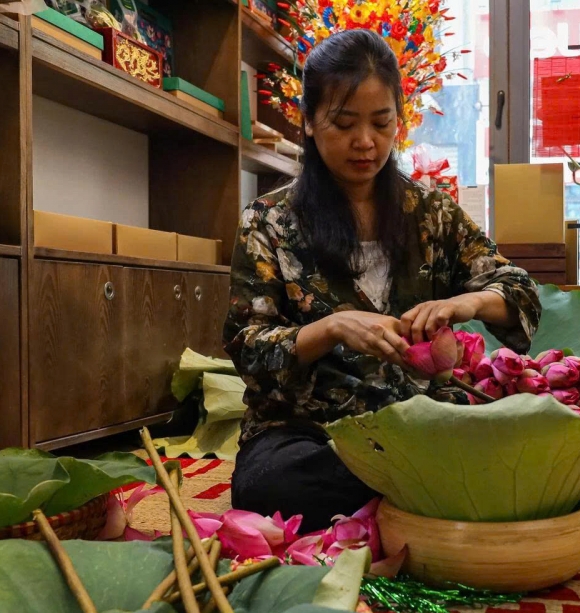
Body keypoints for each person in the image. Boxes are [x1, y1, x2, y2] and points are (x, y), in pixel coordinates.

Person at [223, 29, 541, 532]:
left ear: (399, 119)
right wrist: (332, 327)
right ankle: (417, 494)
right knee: (270, 484)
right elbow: (248, 347)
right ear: (308, 121)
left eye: (381, 122)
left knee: (518, 441)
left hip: (419, 421)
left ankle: (399, 492)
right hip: (307, 429)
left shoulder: (431, 213)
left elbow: (519, 291)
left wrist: (465, 304)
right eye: (344, 123)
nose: (365, 142)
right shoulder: (269, 221)